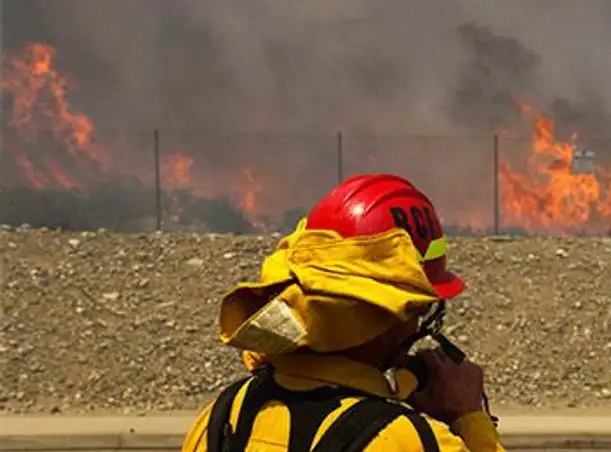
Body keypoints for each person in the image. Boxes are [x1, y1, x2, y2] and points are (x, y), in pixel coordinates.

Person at [181, 174, 504, 452]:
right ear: (389, 316)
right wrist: (469, 420)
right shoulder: (405, 439)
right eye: (416, 311)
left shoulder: (222, 417)